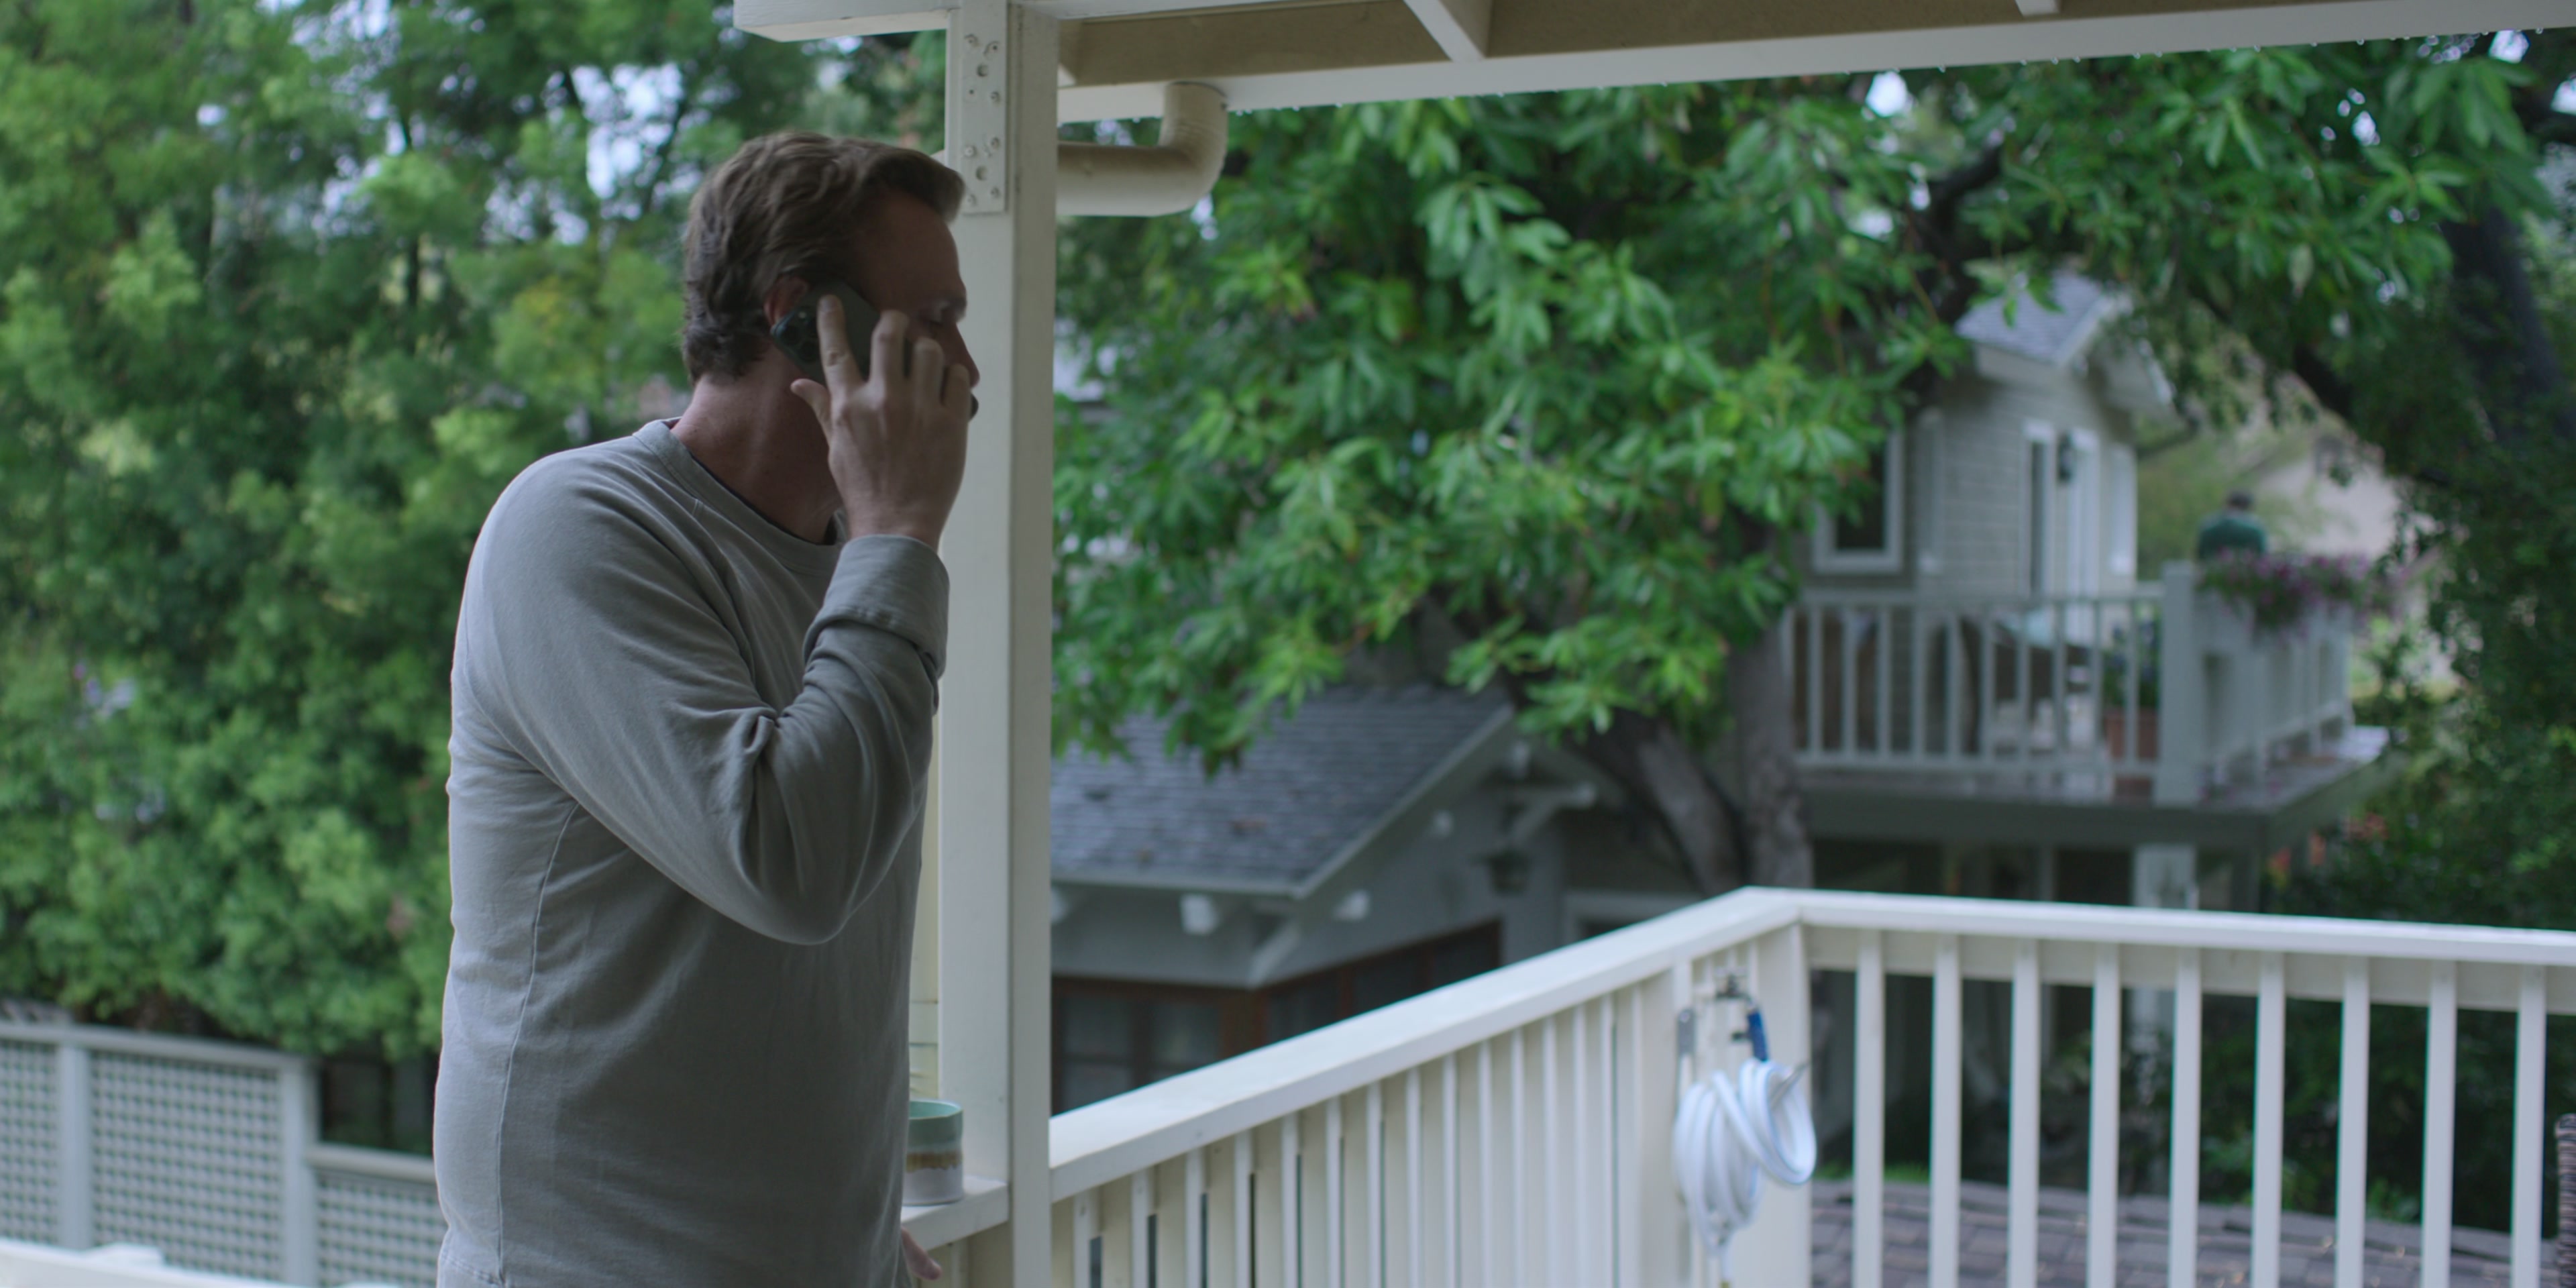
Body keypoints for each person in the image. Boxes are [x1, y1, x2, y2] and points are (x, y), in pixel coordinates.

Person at [435, 132, 976, 1287]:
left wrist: (846, 1232)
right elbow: (791, 865)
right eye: (934, 324)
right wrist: (898, 538)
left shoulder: (855, 572)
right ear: (802, 320)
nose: (968, 374)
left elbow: (802, 975)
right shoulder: (576, 530)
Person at [2196, 489, 2269, 561]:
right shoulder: (2255, 528)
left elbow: (2200, 555)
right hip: (2245, 568)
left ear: (2227, 503)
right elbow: (2262, 555)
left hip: (2213, 567)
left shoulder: (2209, 525)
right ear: (2249, 507)